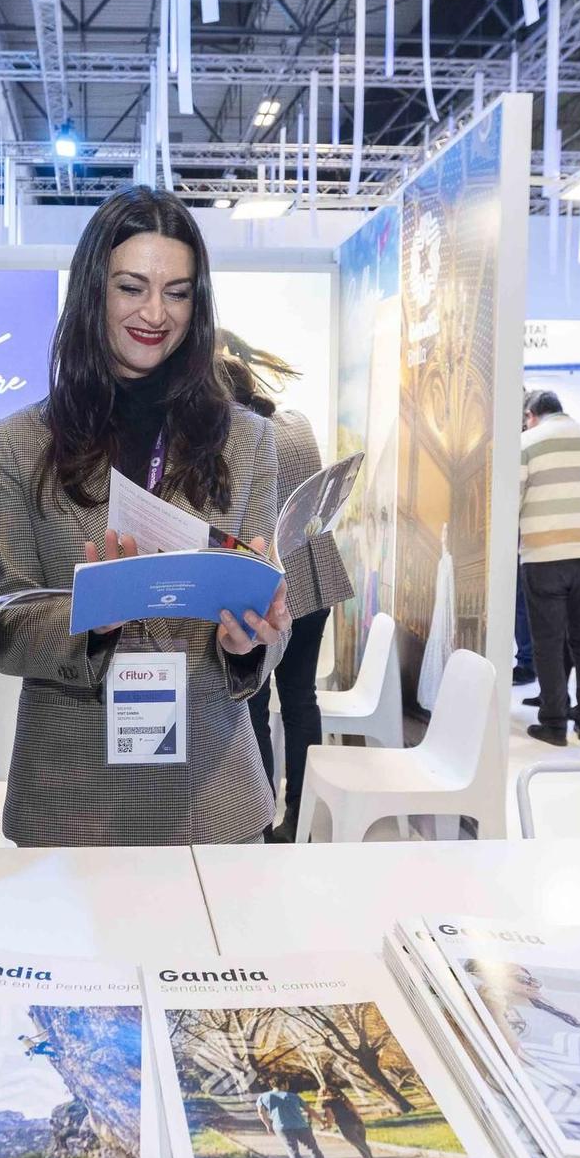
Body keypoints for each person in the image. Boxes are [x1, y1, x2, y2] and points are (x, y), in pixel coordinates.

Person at [0, 186, 290, 846]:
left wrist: (252, 641)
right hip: (69, 796)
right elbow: (1, 624)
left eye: (177, 292)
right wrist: (96, 614)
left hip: (211, 796)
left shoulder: (246, 440)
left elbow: (267, 607)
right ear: (94, 289)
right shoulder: (20, 441)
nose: (156, 313)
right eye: (132, 287)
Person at [216, 332, 353, 844]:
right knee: (300, 699)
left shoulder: (243, 438)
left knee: (254, 702)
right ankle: (301, 814)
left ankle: (264, 820)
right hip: (317, 577)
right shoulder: (295, 424)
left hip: (272, 583)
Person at [517, 390, 580, 747]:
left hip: (543, 553)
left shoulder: (528, 442)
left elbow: (512, 498)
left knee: (547, 641)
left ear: (532, 414)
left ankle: (554, 723)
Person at [254, 1078, 330, 1158]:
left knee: (293, 1152)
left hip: (282, 1128)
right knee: (313, 1148)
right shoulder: (294, 1096)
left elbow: (261, 1113)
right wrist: (321, 1121)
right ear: (284, 1084)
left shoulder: (263, 1097)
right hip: (301, 1126)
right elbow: (309, 1110)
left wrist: (268, 1125)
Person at [316, 1086, 385, 1158]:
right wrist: (360, 1120)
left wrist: (327, 1125)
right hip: (358, 1123)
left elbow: (330, 1116)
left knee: (362, 1147)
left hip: (346, 1126)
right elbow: (354, 1109)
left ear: (324, 1093)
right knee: (363, 1146)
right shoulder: (343, 1099)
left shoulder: (327, 1103)